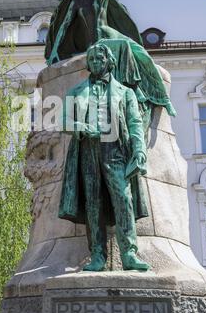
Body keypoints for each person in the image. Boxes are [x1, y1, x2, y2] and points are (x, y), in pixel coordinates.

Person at [45, 0, 176, 119]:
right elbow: (64, 27)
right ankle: (136, 89)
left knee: (143, 55)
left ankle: (163, 98)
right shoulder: (77, 3)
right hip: (98, 44)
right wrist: (54, 52)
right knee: (124, 48)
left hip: (110, 34)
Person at [59, 42, 150, 272]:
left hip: (116, 149)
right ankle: (97, 255)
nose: (96, 63)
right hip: (88, 150)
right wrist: (80, 126)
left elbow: (135, 123)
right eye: (92, 60)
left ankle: (129, 253)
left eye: (100, 59)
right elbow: (64, 121)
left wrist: (139, 150)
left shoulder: (125, 92)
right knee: (93, 203)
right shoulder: (76, 91)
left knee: (124, 198)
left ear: (109, 61)